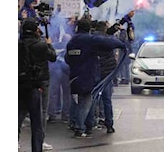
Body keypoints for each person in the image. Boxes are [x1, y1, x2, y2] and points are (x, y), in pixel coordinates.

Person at [65, 19, 126, 138]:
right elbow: (107, 43)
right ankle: (80, 128)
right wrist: (121, 44)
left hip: (74, 76)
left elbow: (67, 58)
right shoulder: (89, 40)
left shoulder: (71, 41)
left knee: (83, 101)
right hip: (88, 76)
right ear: (88, 29)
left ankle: (85, 126)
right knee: (87, 103)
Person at [18, 18, 57, 152]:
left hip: (20, 83)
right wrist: (49, 44)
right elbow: (53, 57)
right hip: (38, 84)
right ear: (36, 30)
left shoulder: (19, 44)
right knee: (39, 117)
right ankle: (38, 146)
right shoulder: (41, 45)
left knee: (19, 113)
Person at [93, 21, 120, 133]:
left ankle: (91, 123)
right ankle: (109, 124)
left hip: (94, 72)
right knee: (107, 99)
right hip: (106, 74)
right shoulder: (108, 41)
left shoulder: (92, 39)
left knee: (93, 98)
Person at [47, 34, 72, 124]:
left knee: (53, 93)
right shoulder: (70, 46)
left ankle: (52, 115)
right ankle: (65, 115)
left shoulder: (55, 46)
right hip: (65, 72)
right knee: (66, 94)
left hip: (54, 71)